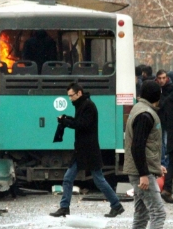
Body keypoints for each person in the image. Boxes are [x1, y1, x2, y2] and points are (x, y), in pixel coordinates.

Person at [122, 80, 173, 229]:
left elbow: (143, 147)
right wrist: (145, 174)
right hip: (140, 174)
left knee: (141, 215)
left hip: (138, 171)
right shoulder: (146, 115)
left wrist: (155, 166)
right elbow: (137, 147)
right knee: (158, 213)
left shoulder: (138, 110)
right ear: (158, 95)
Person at [49, 83, 125, 218]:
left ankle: (116, 205)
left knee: (98, 180)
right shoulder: (83, 105)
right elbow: (80, 122)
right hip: (82, 150)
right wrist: (66, 119)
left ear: (79, 93)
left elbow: (83, 125)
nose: (70, 99)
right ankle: (64, 207)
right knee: (68, 178)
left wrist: (66, 122)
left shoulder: (88, 106)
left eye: (71, 96)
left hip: (89, 150)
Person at [156, 69, 173, 168]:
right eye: (160, 78)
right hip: (160, 118)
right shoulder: (156, 88)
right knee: (162, 141)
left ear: (167, 78)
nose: (161, 80)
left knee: (167, 141)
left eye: (163, 78)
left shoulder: (172, 88)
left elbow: (168, 102)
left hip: (169, 118)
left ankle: (166, 163)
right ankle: (163, 163)